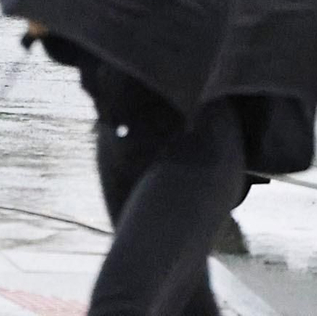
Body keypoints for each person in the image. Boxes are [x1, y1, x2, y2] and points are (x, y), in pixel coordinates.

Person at [26, 22, 249, 316]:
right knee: (184, 300)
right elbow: (99, 58)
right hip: (121, 141)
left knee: (120, 300)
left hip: (193, 152)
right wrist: (54, 32)